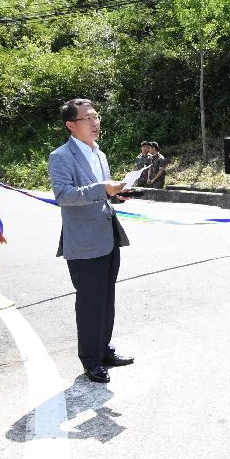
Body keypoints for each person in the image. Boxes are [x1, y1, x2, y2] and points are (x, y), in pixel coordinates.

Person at [48, 98, 134, 384]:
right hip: (83, 241)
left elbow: (101, 192)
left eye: (96, 116)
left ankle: (104, 349)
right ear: (71, 125)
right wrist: (102, 189)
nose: (95, 122)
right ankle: (90, 360)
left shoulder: (99, 153)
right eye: (87, 118)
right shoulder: (60, 156)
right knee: (89, 301)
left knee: (107, 297)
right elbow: (63, 195)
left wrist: (115, 194)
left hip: (107, 234)